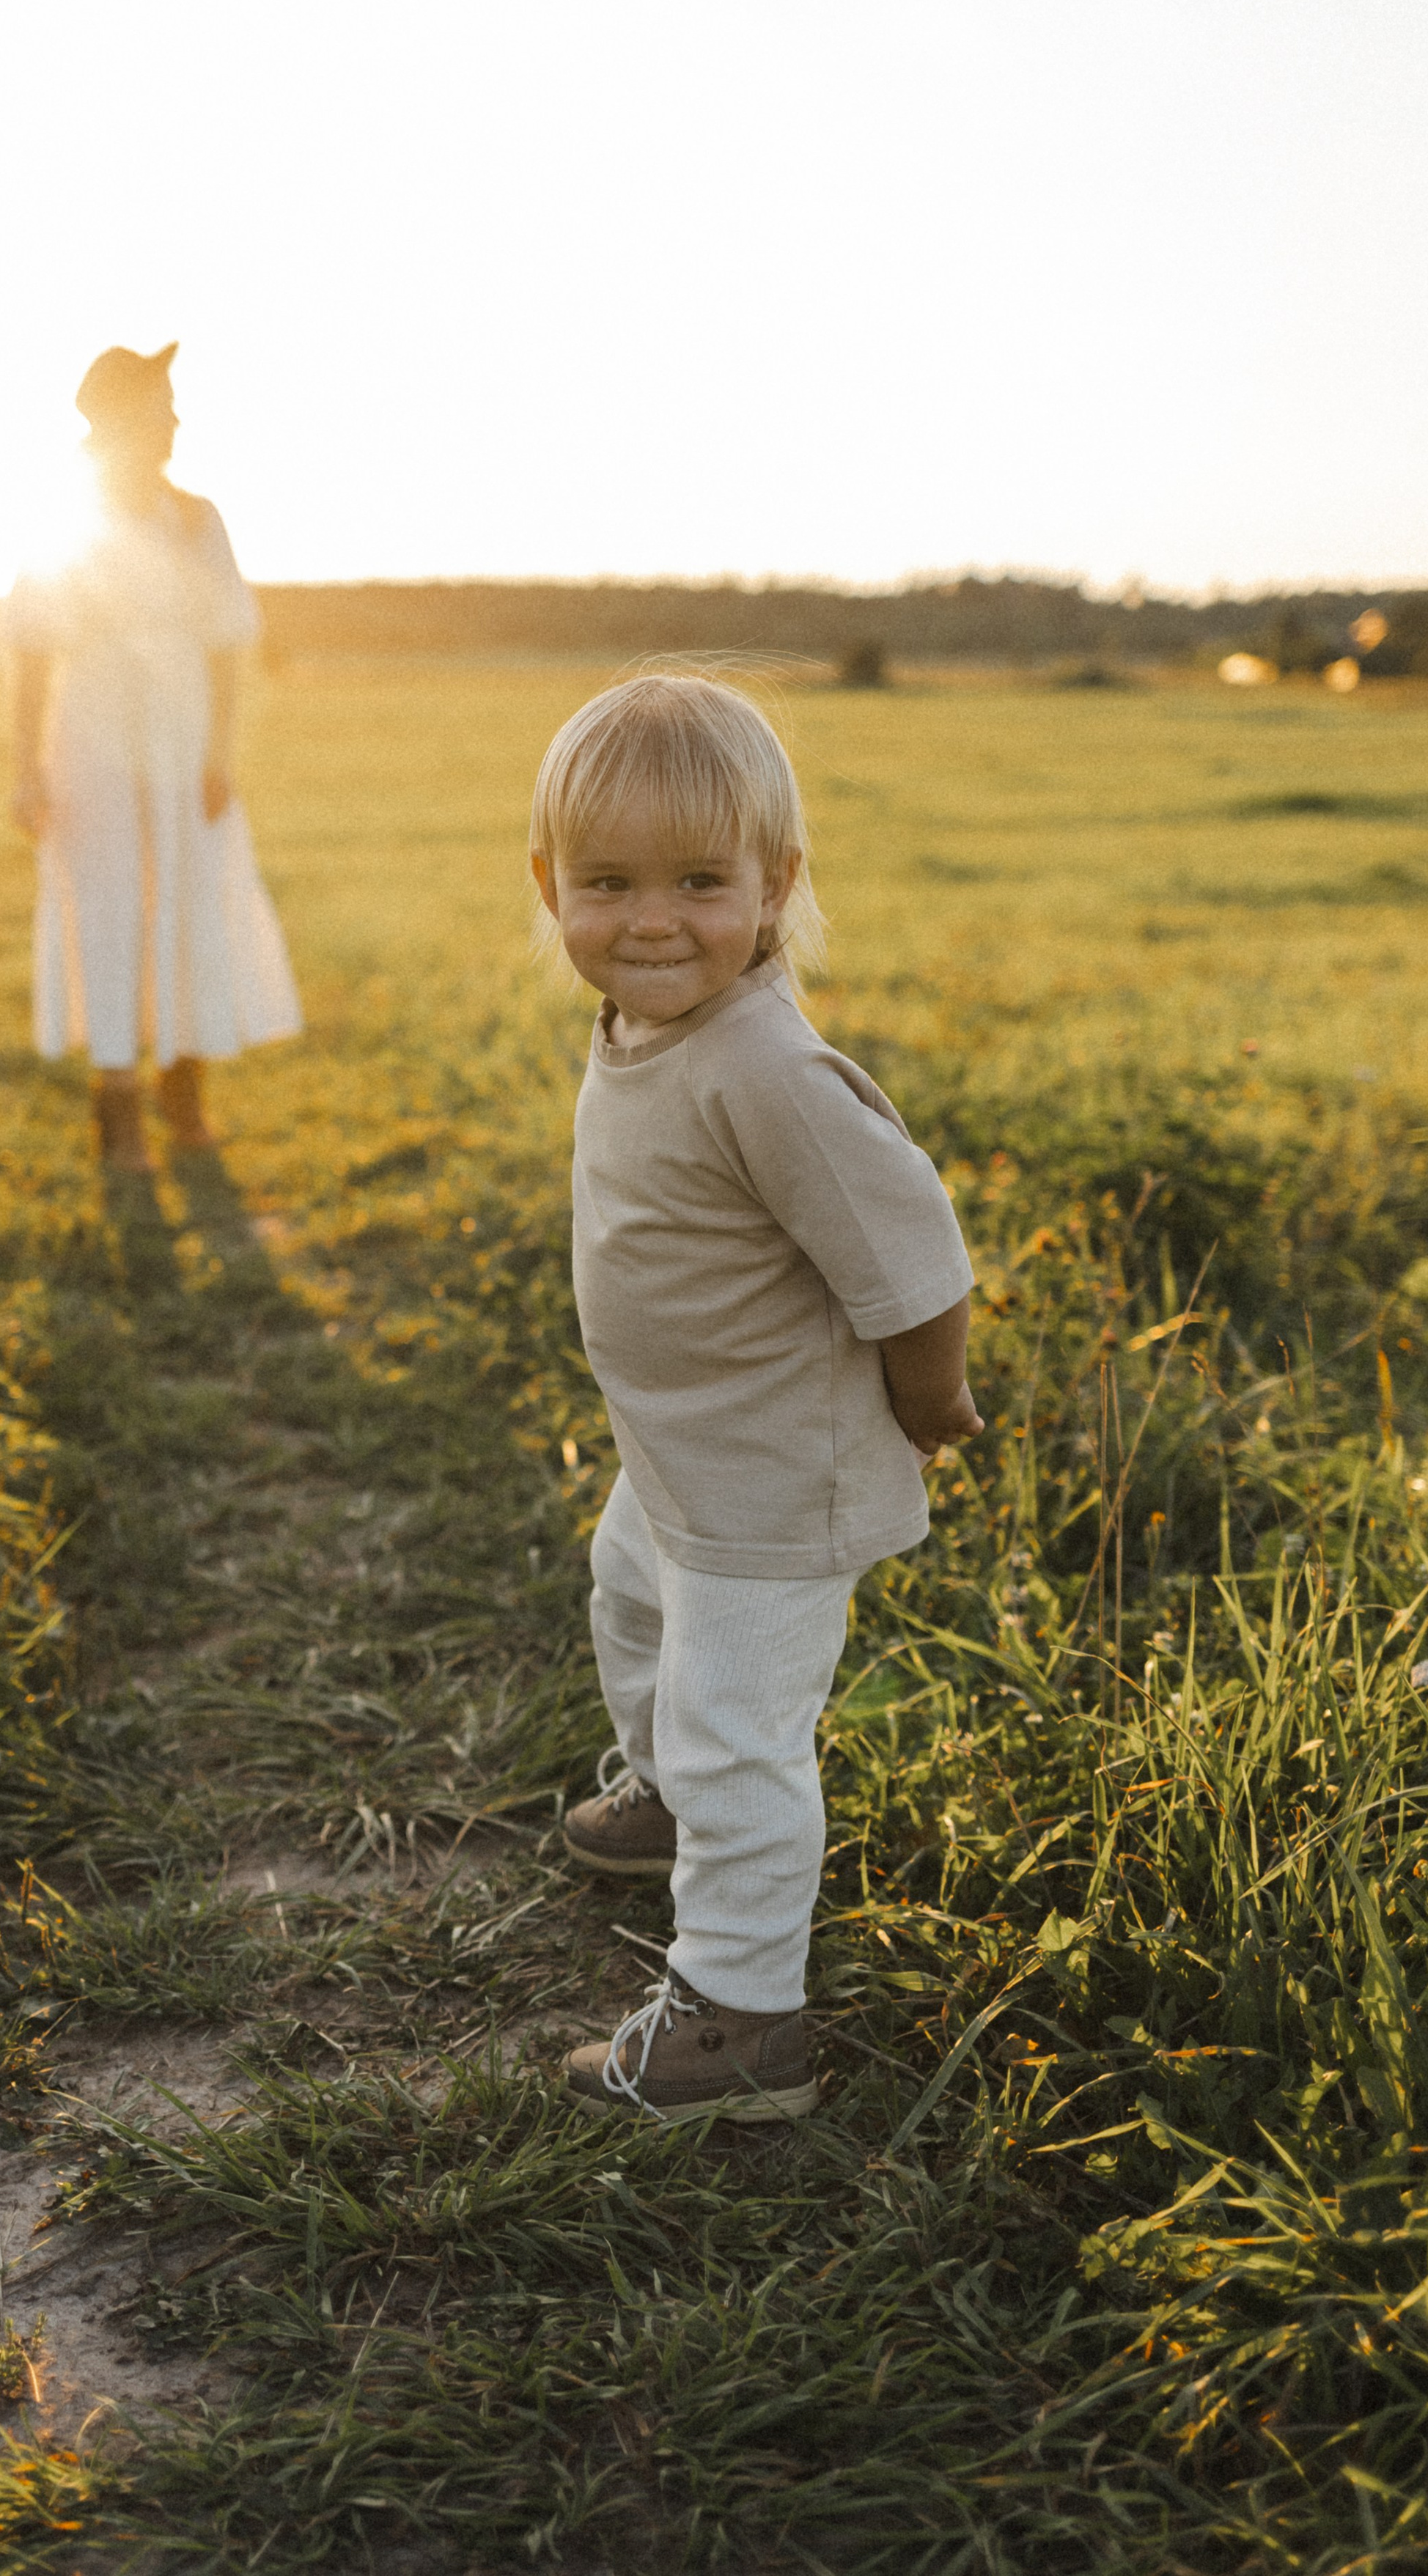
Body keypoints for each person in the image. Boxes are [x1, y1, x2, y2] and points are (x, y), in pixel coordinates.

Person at [530, 674, 981, 2125]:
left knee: (741, 1729)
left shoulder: (768, 1070)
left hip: (777, 1477)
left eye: (697, 882)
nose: (649, 919)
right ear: (548, 888)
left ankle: (742, 2019)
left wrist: (931, 1408)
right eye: (606, 883)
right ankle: (669, 1796)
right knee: (628, 1609)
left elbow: (914, 1270)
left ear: (775, 885)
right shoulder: (645, 1024)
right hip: (682, 1453)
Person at [4, 342, 300, 1166]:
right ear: (118, 419)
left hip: (181, 729)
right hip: (91, 724)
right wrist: (25, 768)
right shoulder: (67, 523)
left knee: (190, 893)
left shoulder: (198, 520)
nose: (174, 421)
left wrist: (219, 752)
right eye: (161, 406)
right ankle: (117, 1100)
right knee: (103, 902)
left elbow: (225, 645)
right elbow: (30, 653)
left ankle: (185, 1084)